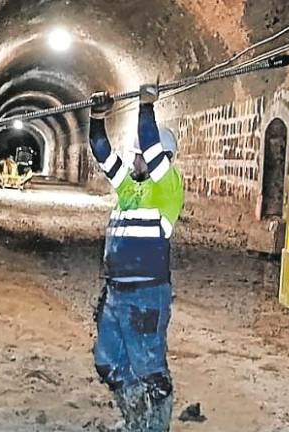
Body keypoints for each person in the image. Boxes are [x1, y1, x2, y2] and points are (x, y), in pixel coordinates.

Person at [88, 83, 184, 432]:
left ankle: (155, 427)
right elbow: (102, 152)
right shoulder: (130, 188)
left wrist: (146, 106)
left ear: (164, 157)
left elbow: (150, 143)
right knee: (108, 362)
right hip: (115, 293)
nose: (134, 159)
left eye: (139, 154)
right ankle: (135, 422)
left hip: (146, 295)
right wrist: (97, 116)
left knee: (149, 369)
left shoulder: (167, 188)